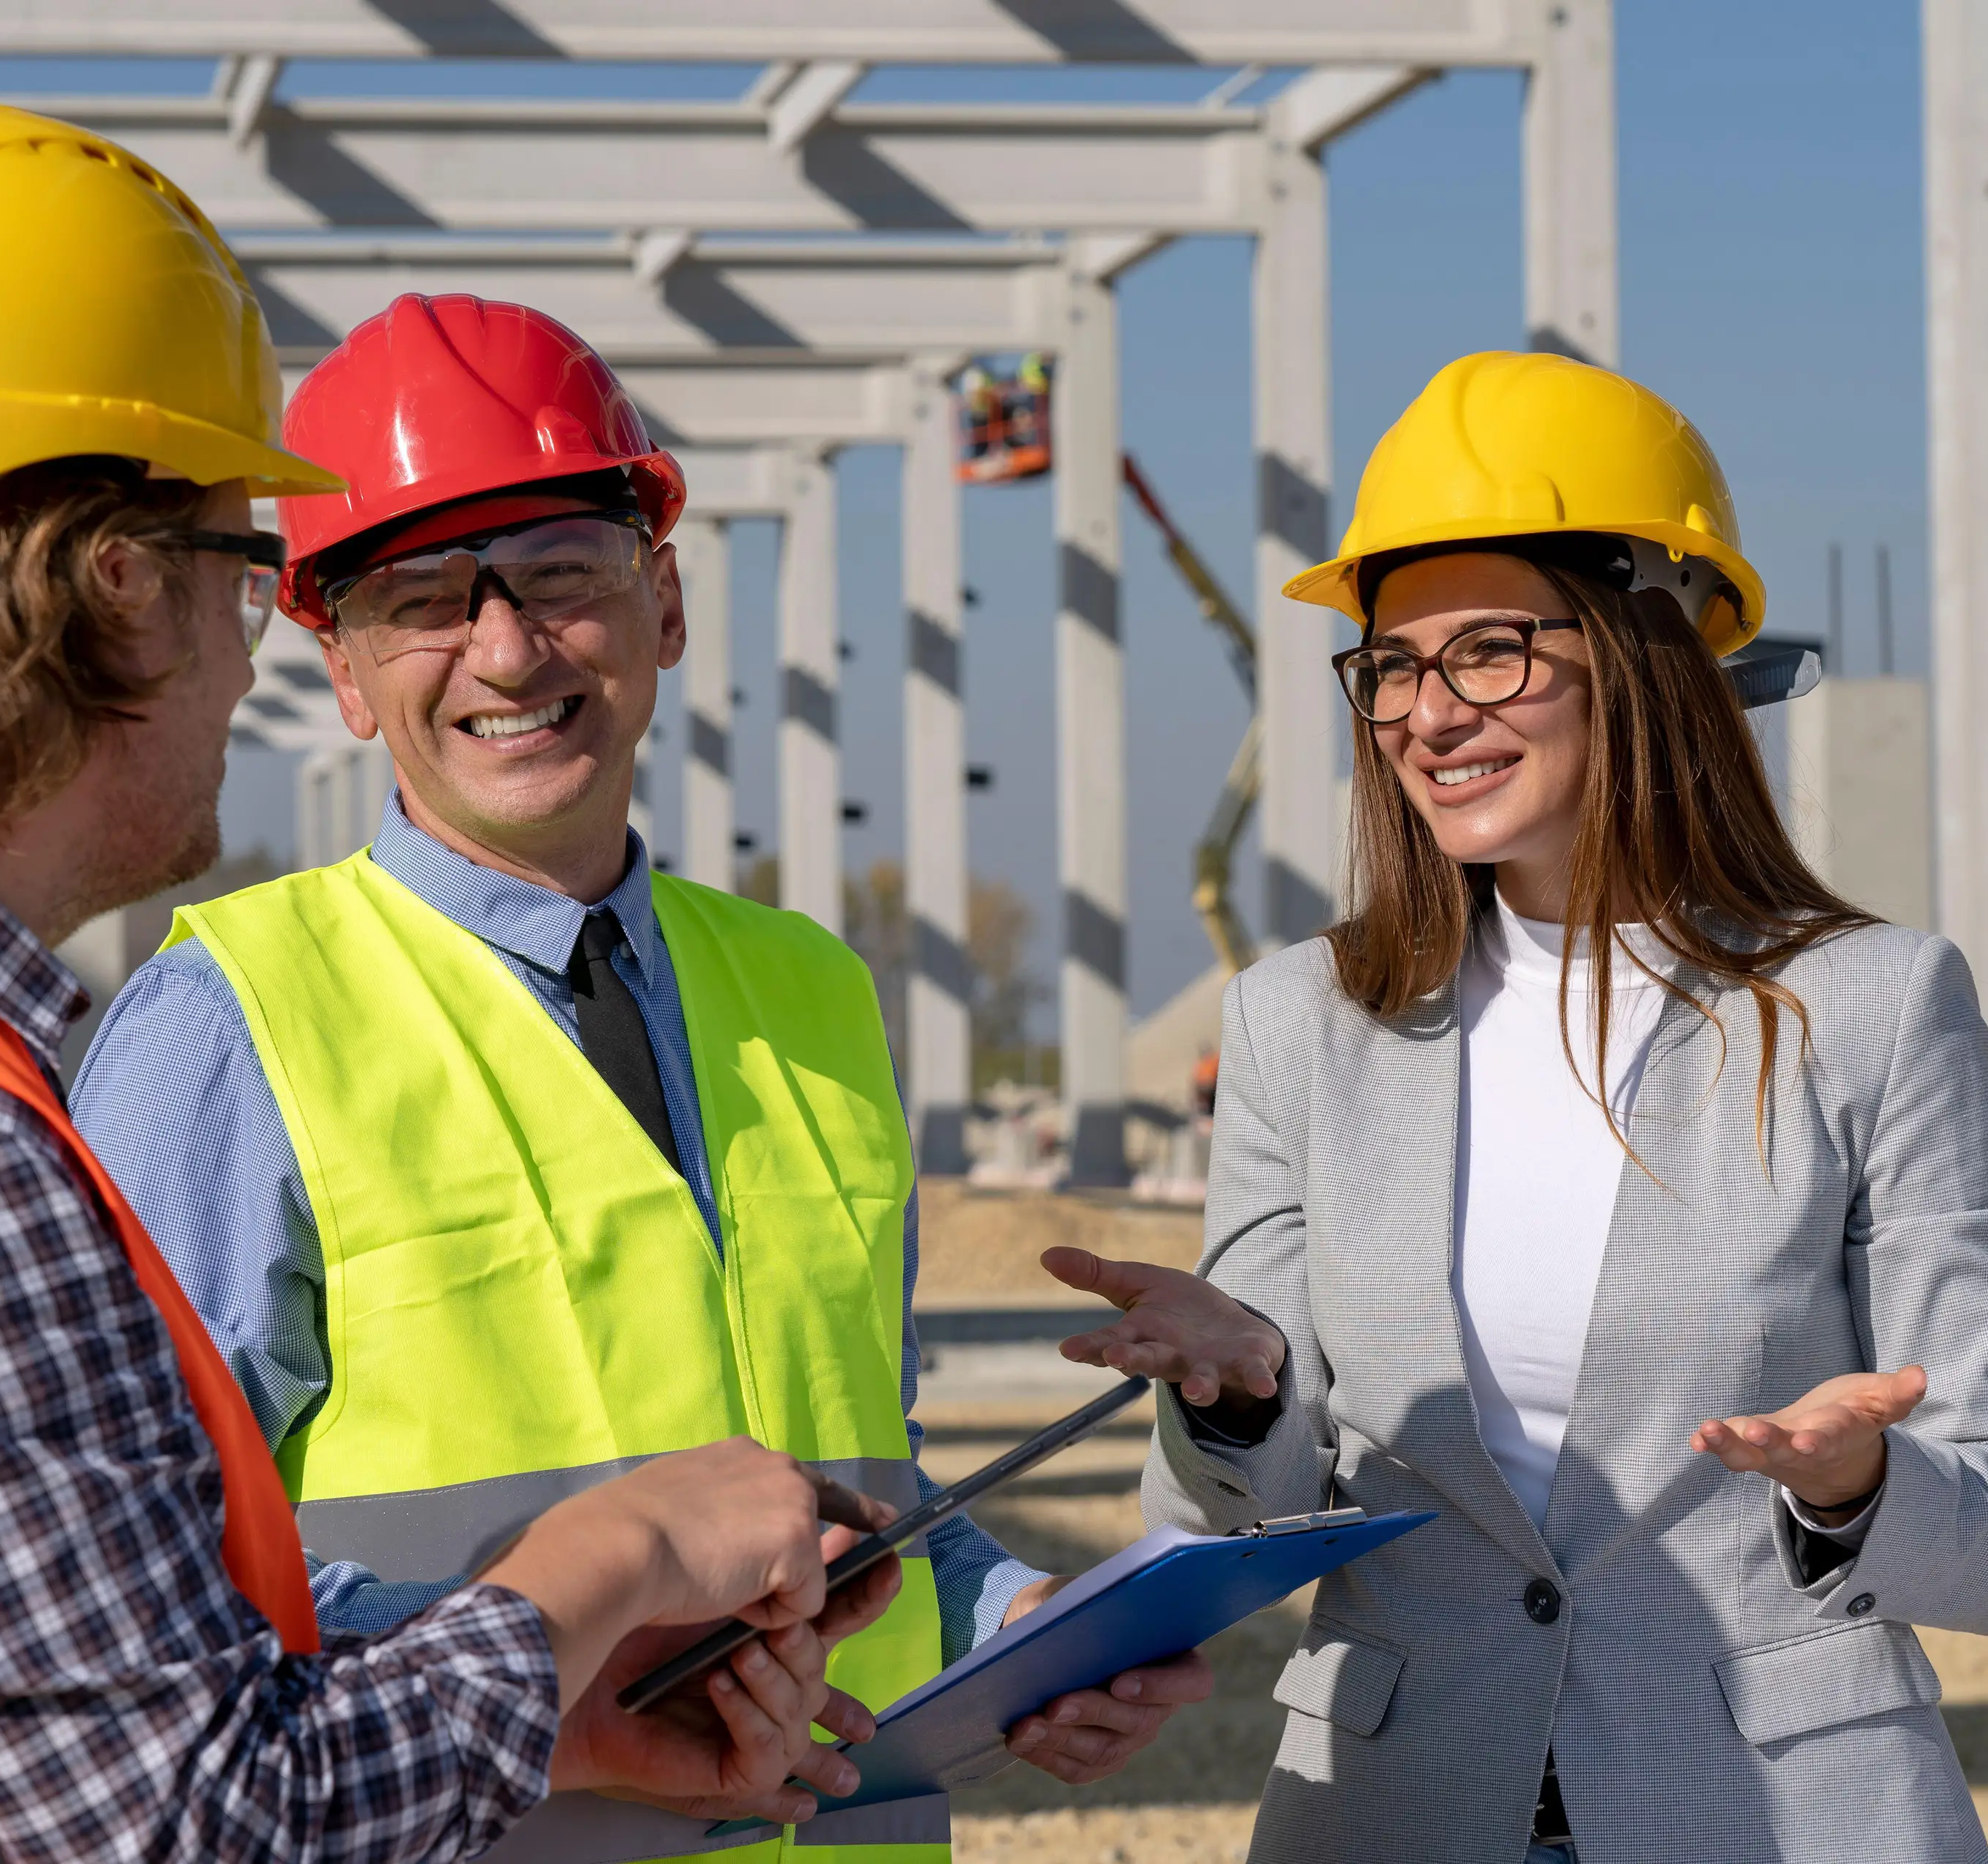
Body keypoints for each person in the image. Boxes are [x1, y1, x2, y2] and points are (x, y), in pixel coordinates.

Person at [0, 103, 903, 1864]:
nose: (252, 659)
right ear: (123, 590)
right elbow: (206, 1817)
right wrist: (610, 1565)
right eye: (254, 570)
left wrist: (552, 1727)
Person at [69, 293, 1207, 1861]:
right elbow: (138, 1571)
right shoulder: (227, 1026)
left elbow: (865, 1465)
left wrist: (1014, 1611)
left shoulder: (812, 992)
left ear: (664, 604)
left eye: (559, 574)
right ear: (336, 671)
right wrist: (566, 1660)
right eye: (420, 597)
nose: (508, 647)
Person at [1046, 351, 1988, 1863]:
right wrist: (1241, 1392)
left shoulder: (1876, 1006)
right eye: (1394, 663)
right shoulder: (1300, 1024)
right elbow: (1235, 1521)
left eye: (1490, 652)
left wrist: (1861, 1482)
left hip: (1775, 1814)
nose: (1426, 712)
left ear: (1643, 653)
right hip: (1397, 1811)